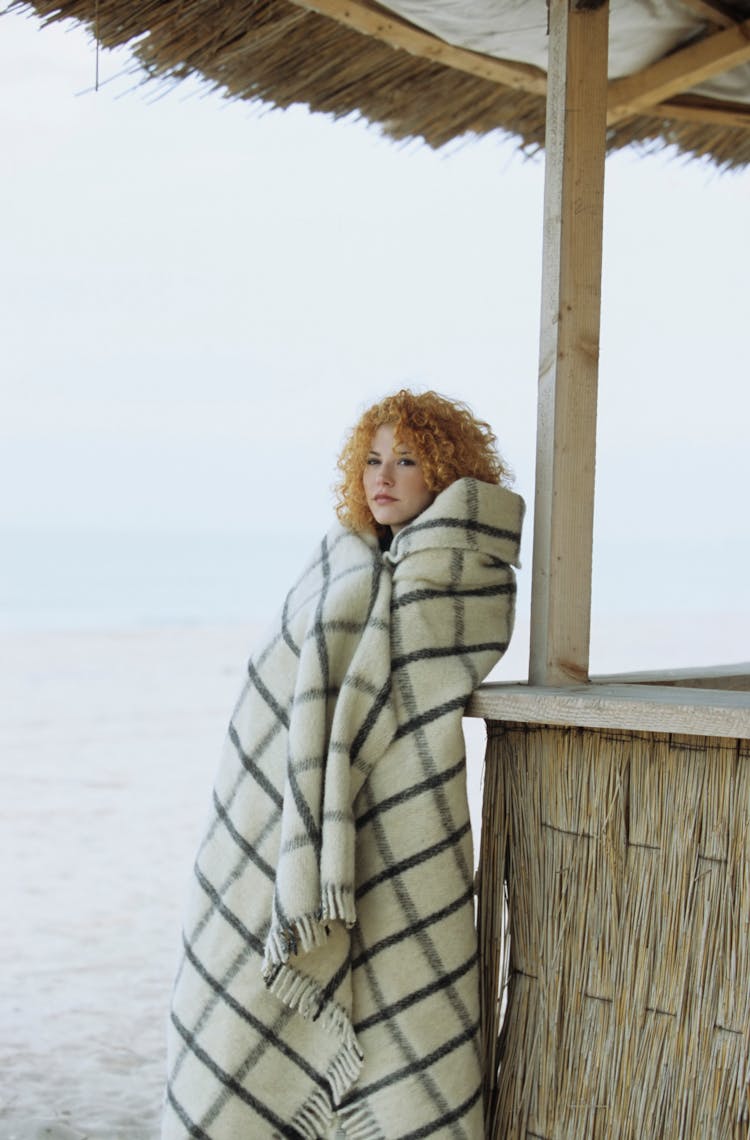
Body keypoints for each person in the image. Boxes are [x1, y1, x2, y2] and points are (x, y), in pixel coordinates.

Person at [162, 389, 525, 1140]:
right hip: (291, 829)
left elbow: (426, 672)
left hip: (400, 807)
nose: (381, 476)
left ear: (447, 475)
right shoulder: (337, 563)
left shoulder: (463, 572)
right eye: (370, 459)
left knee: (406, 981)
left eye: (405, 459)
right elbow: (275, 683)